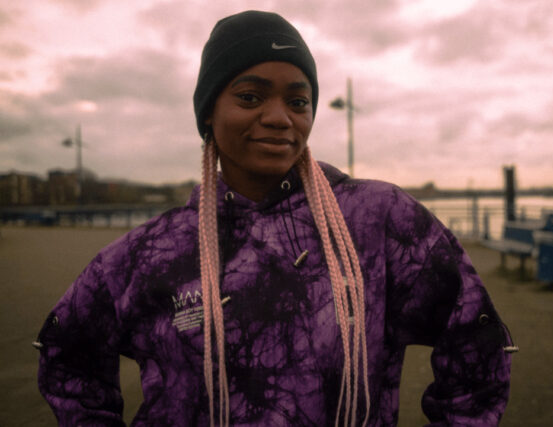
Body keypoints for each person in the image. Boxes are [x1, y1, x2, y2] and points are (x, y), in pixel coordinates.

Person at [35, 10, 515, 427]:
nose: (280, 117)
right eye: (250, 97)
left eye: (298, 101)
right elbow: (67, 352)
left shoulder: (379, 221)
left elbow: (478, 339)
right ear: (208, 114)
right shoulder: (153, 252)